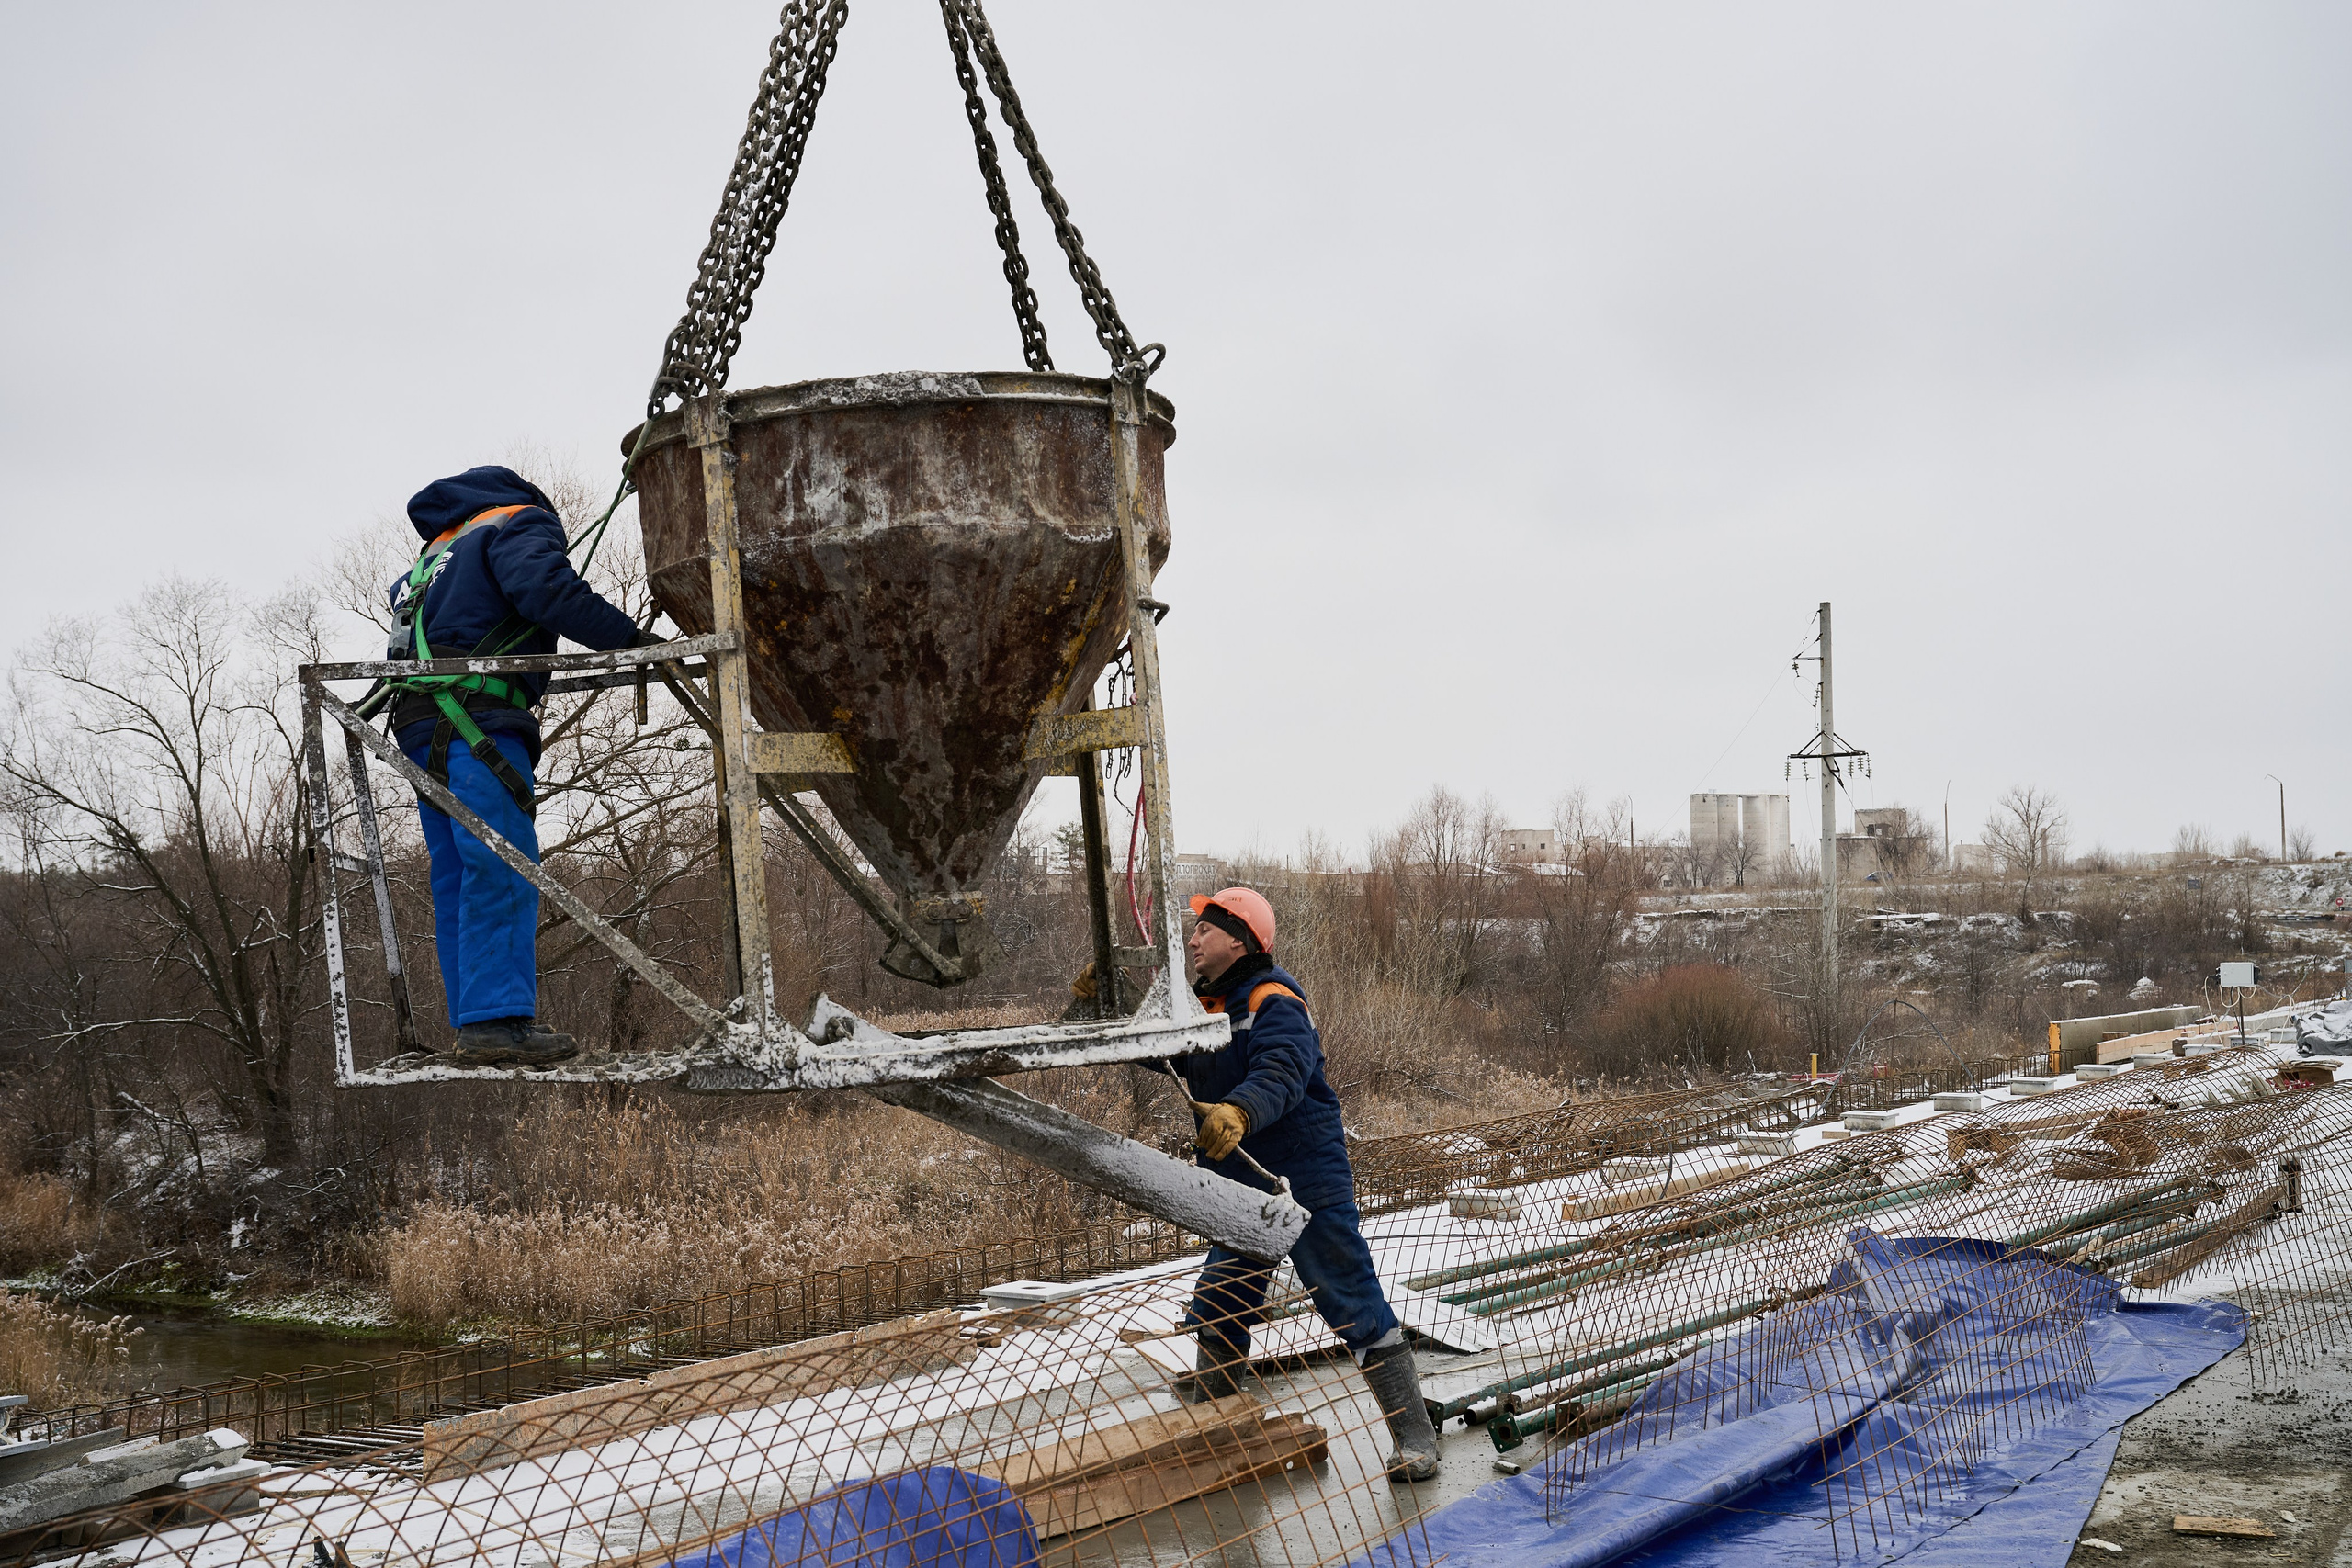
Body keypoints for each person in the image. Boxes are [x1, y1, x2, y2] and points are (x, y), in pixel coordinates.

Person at [1174, 886, 1442, 1483]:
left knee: (1347, 1297)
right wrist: (1092, 1008)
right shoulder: (1209, 1007)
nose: (1192, 939)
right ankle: (1212, 1430)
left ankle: (1415, 1434)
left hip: (1304, 1178)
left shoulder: (1274, 1000)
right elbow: (1146, 1050)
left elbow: (1284, 1070)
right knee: (1222, 1299)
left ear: (1238, 939)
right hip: (1243, 1186)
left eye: (1205, 930)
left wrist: (1240, 1111)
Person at [383, 465, 648, 1066]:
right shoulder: (517, 522)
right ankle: (498, 1021)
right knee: (502, 861)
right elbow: (546, 591)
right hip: (478, 721)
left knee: (457, 873)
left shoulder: (434, 554)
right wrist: (633, 642)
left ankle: (475, 1021)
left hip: (419, 726)